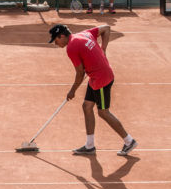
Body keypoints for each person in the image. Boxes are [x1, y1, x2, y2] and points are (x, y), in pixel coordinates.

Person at [48, 24, 138, 156]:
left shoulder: (71, 47)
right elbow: (106, 28)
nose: (56, 44)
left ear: (62, 36)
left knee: (103, 112)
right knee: (87, 106)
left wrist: (72, 91)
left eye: (56, 40)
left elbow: (80, 73)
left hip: (101, 79)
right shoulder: (84, 34)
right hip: (96, 76)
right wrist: (103, 49)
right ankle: (89, 146)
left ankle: (129, 141)